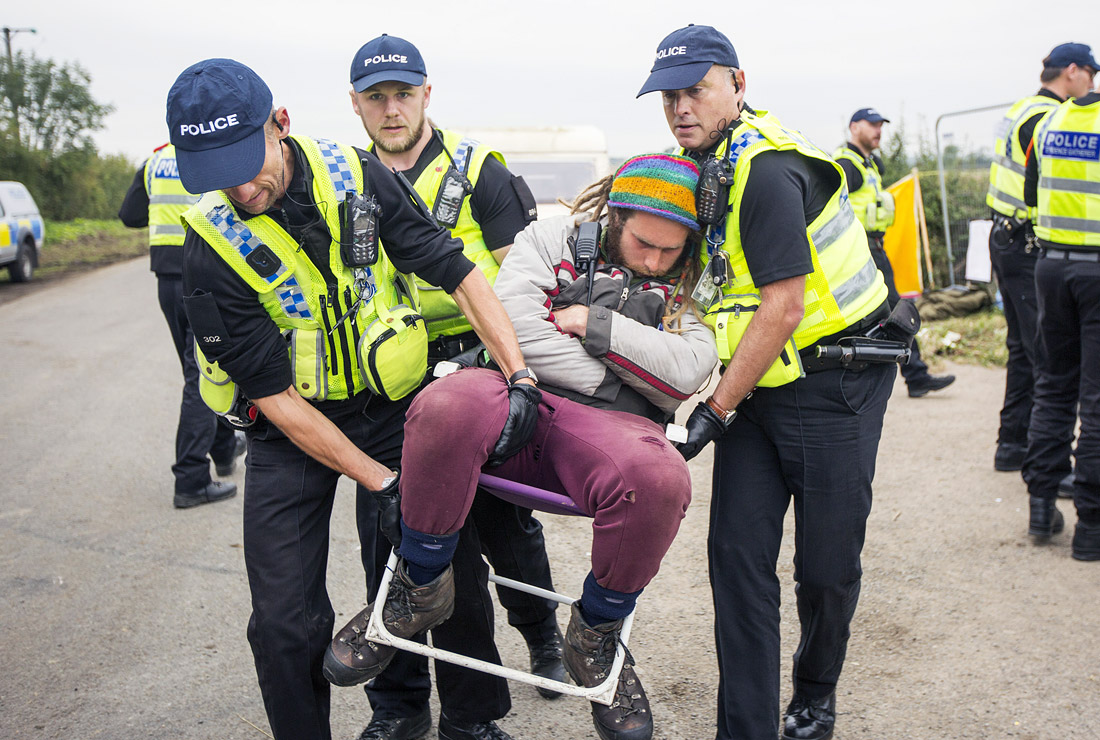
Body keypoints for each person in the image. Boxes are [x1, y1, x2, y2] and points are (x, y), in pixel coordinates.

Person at [166, 58, 540, 740]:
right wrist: (380, 482)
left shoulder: (355, 175)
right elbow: (274, 396)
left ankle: (465, 721)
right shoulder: (210, 244)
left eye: (248, 163)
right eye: (218, 174)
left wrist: (519, 375)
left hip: (392, 405)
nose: (242, 188)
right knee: (283, 621)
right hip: (291, 429)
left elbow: (456, 273)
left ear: (281, 124)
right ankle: (377, 716)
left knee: (442, 560)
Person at [323, 153, 719, 740]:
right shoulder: (554, 236)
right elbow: (513, 328)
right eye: (643, 244)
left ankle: (596, 635)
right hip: (514, 391)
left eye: (670, 251)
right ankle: (419, 585)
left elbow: (687, 372)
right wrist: (630, 375)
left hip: (609, 433)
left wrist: (592, 324)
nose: (656, 261)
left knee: (661, 479)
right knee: (444, 403)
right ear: (614, 215)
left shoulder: (697, 276)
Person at [638, 25, 896, 740]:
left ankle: (814, 694)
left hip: (835, 381)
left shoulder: (765, 169)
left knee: (826, 569)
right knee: (737, 561)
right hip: (758, 384)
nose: (680, 108)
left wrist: (714, 411)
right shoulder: (706, 164)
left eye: (696, 90)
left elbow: (783, 307)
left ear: (738, 85)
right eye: (669, 96)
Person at [344, 34, 563, 739]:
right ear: (356, 105)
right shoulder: (342, 182)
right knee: (392, 542)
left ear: (426, 95)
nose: (392, 109)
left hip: (478, 371)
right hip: (390, 384)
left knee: (503, 529)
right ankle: (399, 707)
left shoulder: (477, 172)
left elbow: (525, 279)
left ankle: (541, 634)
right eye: (376, 97)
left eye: (403, 94)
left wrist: (521, 373)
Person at [987, 43, 1098, 473]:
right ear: (1072, 71)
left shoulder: (1024, 109)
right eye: (1091, 73)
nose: (1093, 84)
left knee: (1024, 350)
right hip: (1030, 244)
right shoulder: (1049, 118)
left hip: (1007, 238)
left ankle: (1012, 446)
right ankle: (1048, 465)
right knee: (1048, 362)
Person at [118, 143, 245, 508]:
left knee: (201, 369)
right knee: (201, 374)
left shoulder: (154, 162)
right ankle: (190, 477)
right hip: (204, 275)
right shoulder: (213, 154)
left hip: (167, 281)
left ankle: (224, 448)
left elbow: (129, 215)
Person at [1021, 78, 1100, 562]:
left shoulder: (1050, 120)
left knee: (1053, 386)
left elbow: (1031, 193)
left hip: (1052, 267)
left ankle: (1041, 504)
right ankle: (1091, 525)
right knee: (1096, 400)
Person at [835, 108, 955, 399]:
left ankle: (911, 375)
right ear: (854, 128)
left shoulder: (869, 164)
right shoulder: (847, 164)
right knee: (894, 311)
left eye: (880, 126)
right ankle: (915, 375)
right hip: (860, 250)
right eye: (872, 125)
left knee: (886, 311)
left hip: (873, 247)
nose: (878, 131)